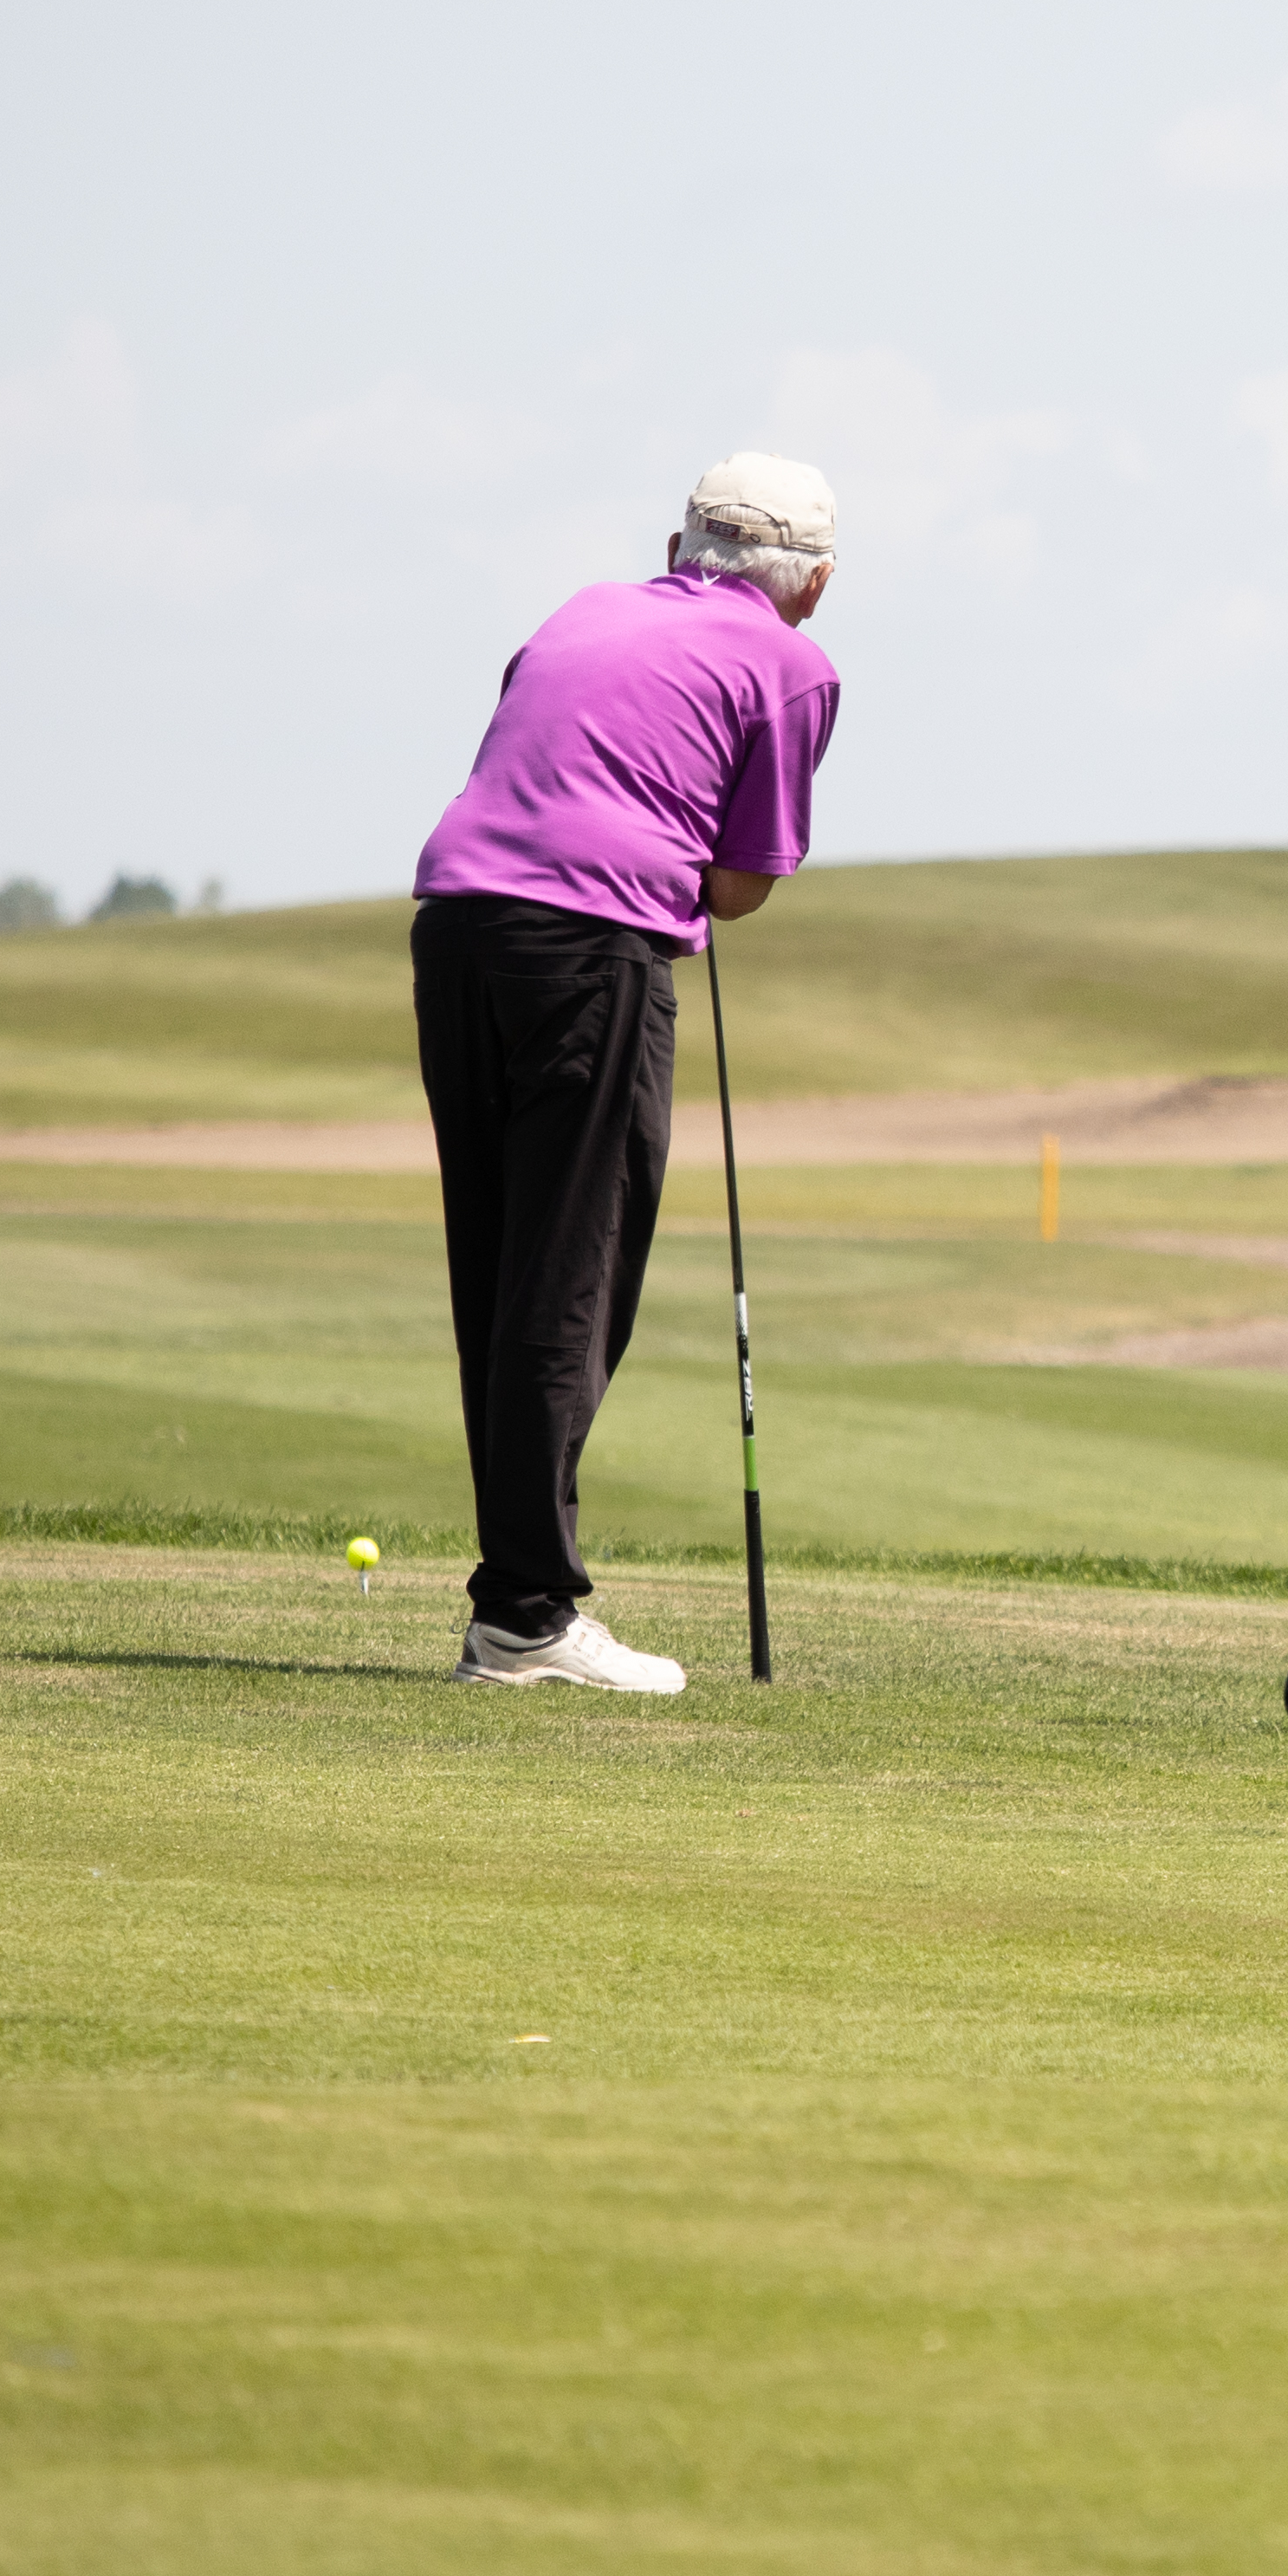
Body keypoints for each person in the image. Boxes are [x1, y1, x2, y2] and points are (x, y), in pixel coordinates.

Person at [409, 454, 847, 1695]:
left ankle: (517, 1601)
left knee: (499, 1267)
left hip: (457, 927)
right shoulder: (795, 664)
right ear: (813, 584)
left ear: (679, 547)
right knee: (569, 1279)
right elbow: (742, 882)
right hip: (589, 950)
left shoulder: (582, 609)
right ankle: (527, 1618)